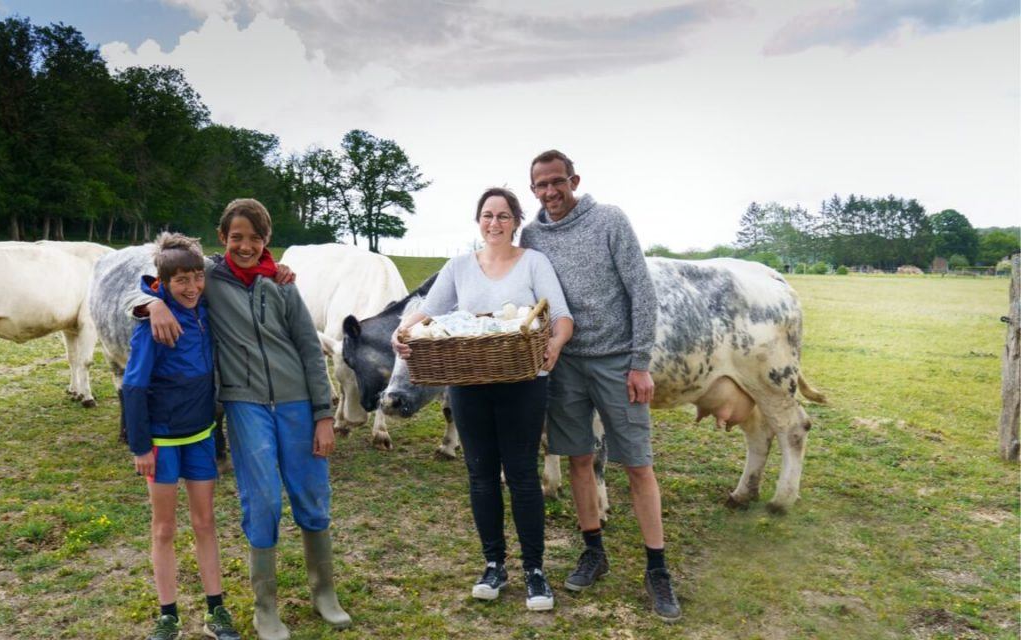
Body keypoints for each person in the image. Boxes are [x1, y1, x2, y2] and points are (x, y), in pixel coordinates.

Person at [138, 199, 350, 640]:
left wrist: (323, 415)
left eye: (255, 238)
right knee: (264, 500)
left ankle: (324, 593)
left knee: (312, 494)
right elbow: (162, 279)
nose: (246, 246)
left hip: (297, 404)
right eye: (237, 238)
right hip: (245, 405)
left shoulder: (285, 286)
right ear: (223, 239)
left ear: (267, 240)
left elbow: (311, 352)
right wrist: (148, 305)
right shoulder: (208, 278)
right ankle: (265, 607)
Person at [391, 187, 574, 611]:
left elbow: (560, 316)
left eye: (504, 215)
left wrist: (556, 344)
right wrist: (400, 331)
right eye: (488, 215)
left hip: (524, 380)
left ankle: (535, 570)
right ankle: (494, 564)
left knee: (523, 475)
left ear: (516, 221)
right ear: (479, 221)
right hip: (468, 383)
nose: (495, 223)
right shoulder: (458, 267)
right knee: (481, 475)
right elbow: (429, 311)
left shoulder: (533, 262)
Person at [519, 149, 681, 622]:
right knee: (578, 459)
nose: (550, 192)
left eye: (557, 182)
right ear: (532, 190)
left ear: (574, 180)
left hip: (617, 363)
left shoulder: (609, 220)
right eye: (541, 185)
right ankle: (594, 550)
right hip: (565, 364)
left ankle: (658, 568)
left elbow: (641, 291)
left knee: (637, 463)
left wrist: (639, 362)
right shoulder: (531, 235)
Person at [122, 232, 240, 640]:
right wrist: (140, 446)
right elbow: (133, 387)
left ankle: (216, 611)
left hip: (202, 436)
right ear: (164, 283)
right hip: (162, 442)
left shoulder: (204, 309)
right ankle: (168, 616)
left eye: (196, 278)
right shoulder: (152, 325)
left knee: (206, 522)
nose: (191, 288)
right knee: (164, 529)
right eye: (180, 281)